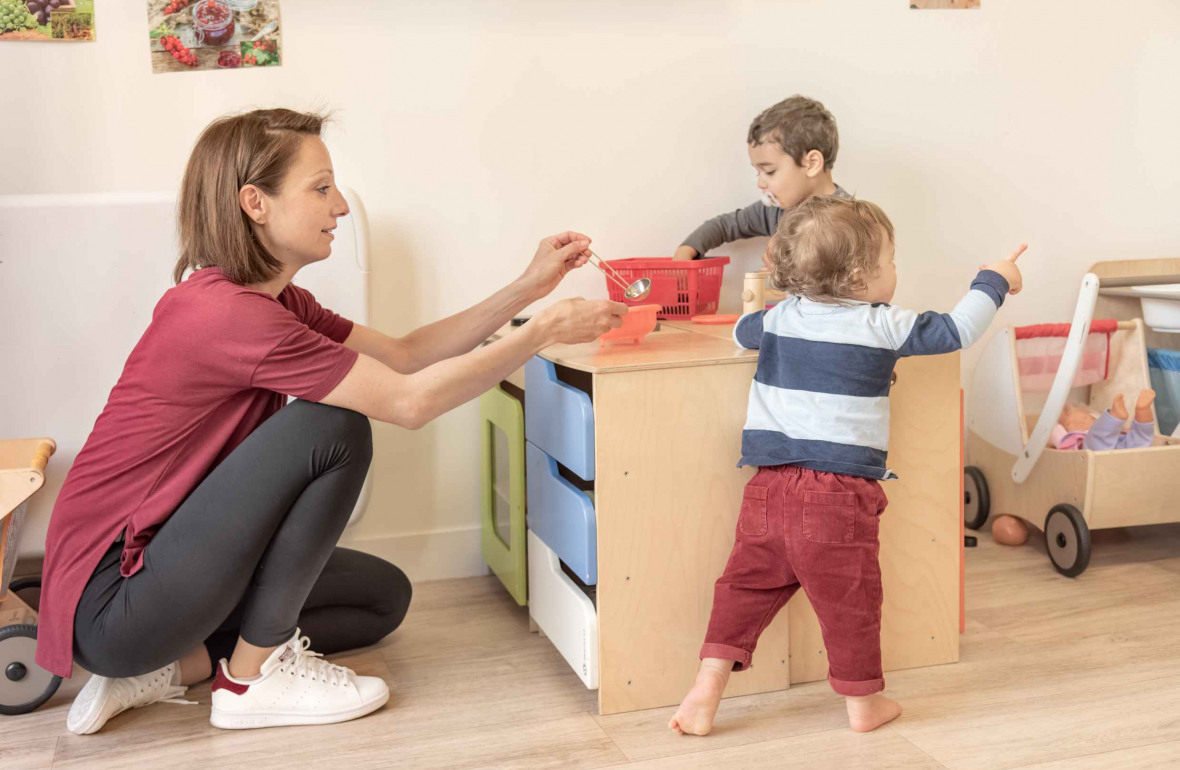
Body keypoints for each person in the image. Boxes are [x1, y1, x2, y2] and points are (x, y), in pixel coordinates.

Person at [37, 108, 626, 734]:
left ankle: (168, 670)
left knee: (379, 598)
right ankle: (249, 682)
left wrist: (529, 288)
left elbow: (404, 355)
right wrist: (540, 335)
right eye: (320, 188)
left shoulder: (274, 302)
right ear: (254, 203)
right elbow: (408, 401)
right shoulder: (225, 316)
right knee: (333, 428)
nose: (340, 206)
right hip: (114, 602)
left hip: (158, 578)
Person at [669, 195, 1026, 735]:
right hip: (836, 496)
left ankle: (706, 688)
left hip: (768, 487)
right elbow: (957, 330)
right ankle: (864, 706)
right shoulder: (881, 325)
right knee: (850, 605)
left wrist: (769, 294)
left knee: (743, 588)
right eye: (891, 262)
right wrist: (993, 279)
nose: (895, 272)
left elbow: (743, 334)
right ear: (862, 276)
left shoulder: (781, 317)